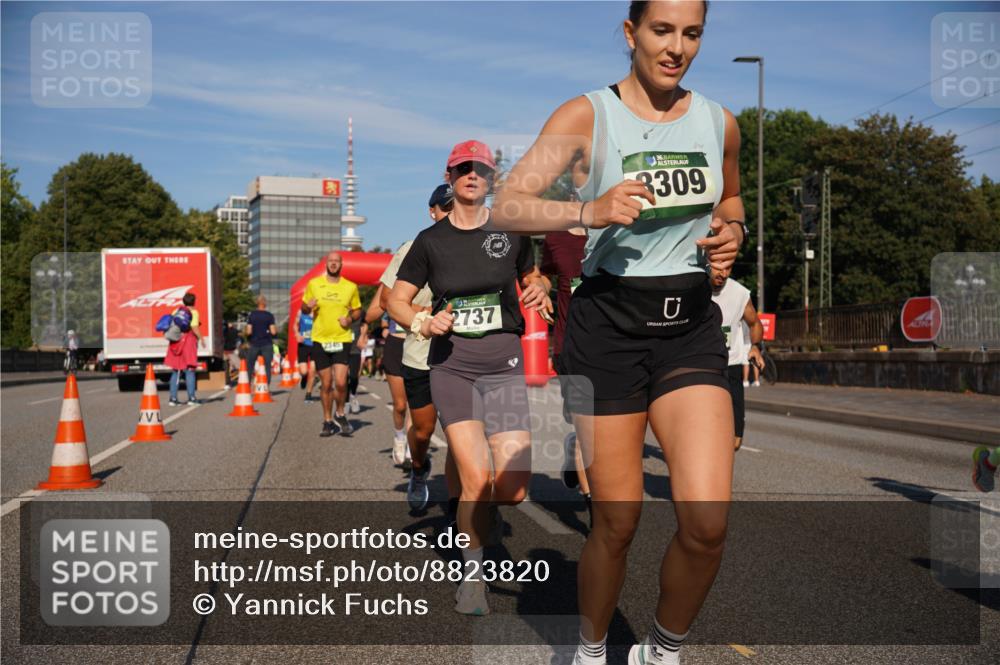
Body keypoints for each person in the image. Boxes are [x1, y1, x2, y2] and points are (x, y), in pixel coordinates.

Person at [492, 1, 746, 662]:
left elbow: (731, 200)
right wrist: (589, 209)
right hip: (608, 331)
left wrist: (731, 234)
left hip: (689, 325)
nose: (677, 48)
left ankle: (660, 649)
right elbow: (507, 204)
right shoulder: (586, 116)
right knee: (618, 518)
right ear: (630, 33)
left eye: (692, 34)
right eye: (662, 31)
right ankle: (591, 645)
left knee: (707, 521)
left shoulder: (719, 123)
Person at [388, 139, 552, 616]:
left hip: (503, 364)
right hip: (453, 366)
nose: (472, 175)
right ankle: (473, 576)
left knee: (514, 488)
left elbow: (532, 277)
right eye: (463, 168)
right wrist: (422, 321)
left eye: (480, 168)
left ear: (491, 176)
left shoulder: (511, 230)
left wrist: (539, 289)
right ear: (450, 174)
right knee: (476, 478)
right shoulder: (429, 241)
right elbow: (398, 301)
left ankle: (483, 520)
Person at [380, 183, 463, 512]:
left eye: (455, 207)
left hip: (463, 354)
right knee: (424, 430)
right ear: (432, 211)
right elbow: (389, 301)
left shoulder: (474, 246)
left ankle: (460, 506)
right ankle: (418, 468)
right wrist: (425, 318)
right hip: (421, 353)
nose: (450, 213)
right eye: (445, 207)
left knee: (461, 432)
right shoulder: (414, 247)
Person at [540, 211, 593, 526]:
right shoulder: (555, 235)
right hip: (570, 345)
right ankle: (593, 506)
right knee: (589, 430)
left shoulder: (616, 227)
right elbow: (545, 274)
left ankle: (574, 443)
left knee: (601, 429)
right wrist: (540, 288)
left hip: (614, 343)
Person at [304, 250, 362, 437]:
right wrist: (308, 306)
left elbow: (357, 311)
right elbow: (304, 308)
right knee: (327, 384)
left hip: (341, 339)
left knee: (341, 382)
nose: (334, 264)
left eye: (337, 261)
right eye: (331, 261)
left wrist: (349, 320)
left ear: (341, 264)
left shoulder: (350, 287)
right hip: (321, 339)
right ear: (326, 264)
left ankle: (341, 413)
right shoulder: (314, 284)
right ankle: (328, 420)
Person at [710, 265, 764, 451]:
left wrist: (755, 347)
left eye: (728, 269)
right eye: (718, 268)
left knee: (736, 440)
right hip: (700, 366)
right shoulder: (693, 288)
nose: (723, 274)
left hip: (730, 365)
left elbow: (755, 323)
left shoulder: (739, 293)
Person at [367, 286, 411, 466]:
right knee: (400, 405)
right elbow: (371, 315)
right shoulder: (393, 283)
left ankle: (412, 449)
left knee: (417, 404)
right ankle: (399, 437)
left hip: (420, 343)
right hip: (396, 345)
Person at [165, 292, 205, 406]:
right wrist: (201, 338)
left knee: (175, 370)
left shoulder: (176, 311)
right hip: (188, 341)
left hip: (176, 341)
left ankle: (173, 399)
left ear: (183, 301)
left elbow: (171, 324)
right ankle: (191, 398)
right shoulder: (194, 312)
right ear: (194, 301)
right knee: (190, 370)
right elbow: (194, 327)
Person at [246, 296, 277, 385]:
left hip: (254, 343)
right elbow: (273, 332)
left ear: (257, 303)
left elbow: (248, 331)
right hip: (267, 343)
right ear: (265, 303)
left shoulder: (252, 315)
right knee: (267, 365)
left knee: (250, 365)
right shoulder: (269, 315)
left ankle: (247, 384)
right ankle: (266, 386)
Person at [293, 302, 317, 401]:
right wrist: (297, 334)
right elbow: (295, 325)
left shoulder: (318, 313)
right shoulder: (301, 312)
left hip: (315, 345)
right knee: (304, 371)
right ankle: (304, 377)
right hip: (303, 344)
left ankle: (308, 394)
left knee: (313, 371)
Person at [347, 316, 364, 413]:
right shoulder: (339, 307)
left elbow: (365, 325)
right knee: (343, 379)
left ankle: (353, 396)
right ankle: (345, 402)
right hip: (342, 349)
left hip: (355, 350)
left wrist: (362, 337)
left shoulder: (360, 312)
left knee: (354, 377)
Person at [223, 322, 241, 387]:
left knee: (228, 367)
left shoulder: (224, 331)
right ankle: (230, 379)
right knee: (238, 366)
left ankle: (228, 381)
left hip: (225, 351)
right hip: (231, 351)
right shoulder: (233, 331)